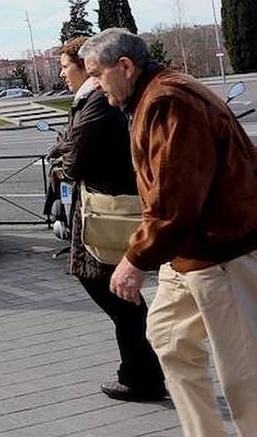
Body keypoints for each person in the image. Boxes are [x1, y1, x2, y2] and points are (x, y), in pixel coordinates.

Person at [80, 28, 257, 435]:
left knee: (243, 374)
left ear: (124, 67)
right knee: (169, 339)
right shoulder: (152, 95)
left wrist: (134, 259)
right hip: (189, 252)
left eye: (96, 73)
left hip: (220, 252)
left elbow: (175, 195)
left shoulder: (166, 100)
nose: (93, 83)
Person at [52, 37, 165, 402]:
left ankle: (144, 375)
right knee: (121, 298)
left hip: (108, 211)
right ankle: (142, 371)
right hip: (99, 209)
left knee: (120, 296)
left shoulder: (98, 101)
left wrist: (63, 160)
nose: (61, 73)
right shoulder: (93, 99)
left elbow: (74, 158)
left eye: (65, 66)